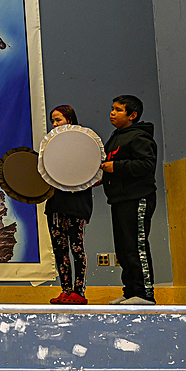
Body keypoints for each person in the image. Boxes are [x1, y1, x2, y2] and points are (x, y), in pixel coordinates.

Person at [100, 95, 158, 305]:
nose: (112, 113)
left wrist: (117, 167)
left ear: (132, 115)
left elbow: (146, 165)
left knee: (136, 246)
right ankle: (131, 291)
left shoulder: (139, 137)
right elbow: (109, 164)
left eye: (118, 109)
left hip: (137, 198)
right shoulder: (115, 137)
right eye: (112, 108)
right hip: (119, 199)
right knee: (123, 249)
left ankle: (145, 294)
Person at [44, 105, 93, 305]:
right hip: (56, 204)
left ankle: (79, 292)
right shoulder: (49, 146)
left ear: (70, 120)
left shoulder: (85, 143)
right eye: (53, 121)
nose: (55, 124)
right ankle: (65, 290)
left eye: (59, 120)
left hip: (77, 204)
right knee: (59, 249)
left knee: (76, 248)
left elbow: (91, 172)